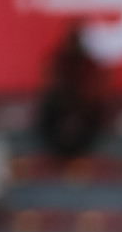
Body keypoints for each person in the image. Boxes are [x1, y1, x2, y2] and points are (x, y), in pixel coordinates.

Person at [35, 22, 107, 161]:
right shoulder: (59, 59)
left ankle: (79, 150)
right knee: (48, 110)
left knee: (93, 112)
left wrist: (81, 99)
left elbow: (96, 86)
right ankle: (55, 151)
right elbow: (50, 82)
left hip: (84, 104)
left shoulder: (90, 63)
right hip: (60, 103)